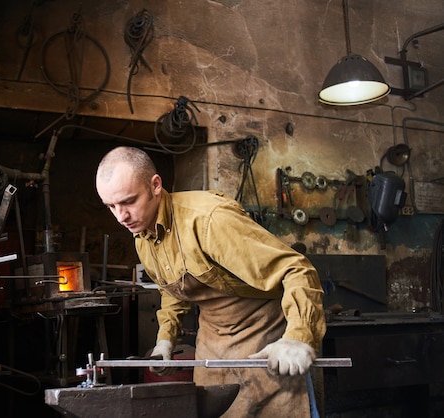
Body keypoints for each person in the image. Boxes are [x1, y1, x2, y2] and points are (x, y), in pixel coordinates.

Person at [95, 146, 327, 417]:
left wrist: (299, 337)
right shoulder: (143, 236)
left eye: (129, 201)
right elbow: (172, 287)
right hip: (213, 346)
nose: (121, 216)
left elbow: (297, 269)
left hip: (265, 339)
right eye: (111, 206)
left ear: (155, 185)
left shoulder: (209, 221)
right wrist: (165, 340)